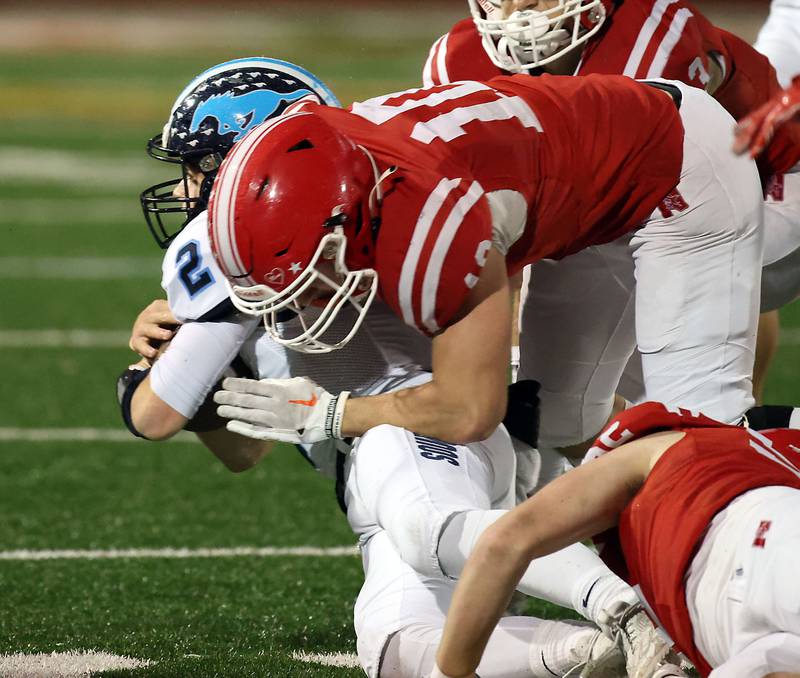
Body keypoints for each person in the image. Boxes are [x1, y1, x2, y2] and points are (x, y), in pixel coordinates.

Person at [121, 58, 657, 677]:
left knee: (426, 523)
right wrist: (190, 366)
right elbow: (244, 451)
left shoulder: (266, 232)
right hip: (377, 455)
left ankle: (629, 614)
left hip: (421, 422)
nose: (187, 192)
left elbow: (153, 415)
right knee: (397, 649)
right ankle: (590, 654)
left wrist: (137, 380)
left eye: (197, 169)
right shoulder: (312, 226)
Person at [210, 73, 763, 466]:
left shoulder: (429, 224)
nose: (302, 303)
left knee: (701, 436)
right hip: (588, 188)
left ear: (343, 228)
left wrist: (329, 415)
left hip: (679, 173)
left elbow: (467, 409)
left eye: (313, 277)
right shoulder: (318, 159)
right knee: (559, 419)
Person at [422, 0, 800, 404]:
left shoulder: (647, 44)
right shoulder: (455, 59)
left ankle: (722, 429)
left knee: (661, 395)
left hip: (774, 186)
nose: (520, 6)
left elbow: (579, 217)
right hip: (659, 197)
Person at [432, 400, 800, 678]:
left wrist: (451, 672)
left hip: (746, 554)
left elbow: (504, 543)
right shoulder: (764, 453)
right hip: (756, 562)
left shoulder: (655, 451)